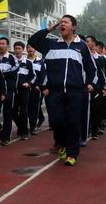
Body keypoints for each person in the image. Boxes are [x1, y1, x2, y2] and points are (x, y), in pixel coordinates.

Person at [28, 15, 97, 166]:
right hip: (55, 91)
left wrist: (90, 83)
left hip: (75, 91)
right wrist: (48, 30)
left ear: (74, 27)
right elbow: (32, 41)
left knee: (73, 122)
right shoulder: (51, 44)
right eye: (61, 22)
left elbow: (92, 68)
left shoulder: (82, 46)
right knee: (56, 121)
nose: (62, 24)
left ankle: (72, 154)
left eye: (65, 22)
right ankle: (62, 144)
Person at [0, 37, 18, 145]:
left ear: (7, 46)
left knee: (7, 114)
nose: (0, 45)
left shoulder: (12, 57)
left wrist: (1, 74)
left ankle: (6, 137)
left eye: (3, 44)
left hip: (9, 90)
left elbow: (15, 69)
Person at [12, 41, 35, 140]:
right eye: (16, 48)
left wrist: (28, 83)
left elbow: (33, 76)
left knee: (24, 111)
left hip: (24, 91)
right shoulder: (11, 61)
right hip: (12, 91)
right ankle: (21, 127)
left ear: (23, 50)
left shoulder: (28, 63)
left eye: (19, 49)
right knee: (12, 112)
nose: (17, 50)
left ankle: (24, 132)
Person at [26, 43, 45, 135]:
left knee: (34, 107)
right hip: (26, 87)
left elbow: (43, 75)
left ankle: (32, 127)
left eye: (32, 47)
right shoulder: (24, 60)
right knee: (27, 107)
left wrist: (40, 86)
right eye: (28, 47)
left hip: (36, 88)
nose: (30, 49)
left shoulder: (40, 61)